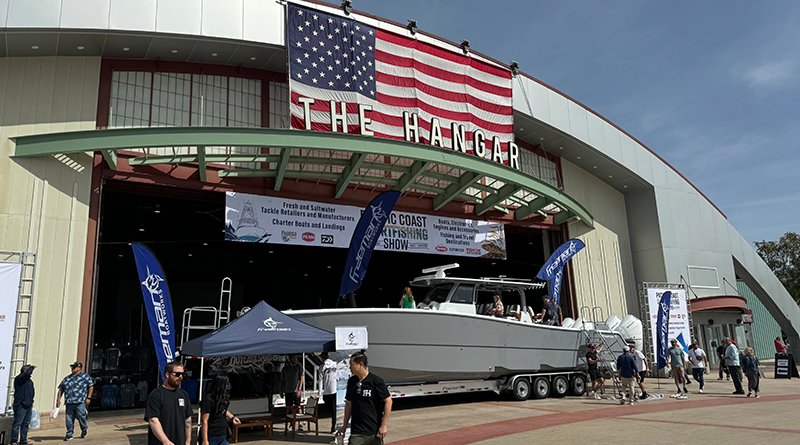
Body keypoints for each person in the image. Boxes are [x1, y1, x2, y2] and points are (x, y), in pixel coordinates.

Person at [337, 351, 392, 445]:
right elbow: (349, 404)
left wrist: (384, 425)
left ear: (360, 364)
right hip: (357, 432)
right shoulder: (352, 381)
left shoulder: (376, 381)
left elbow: (388, 401)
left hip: (374, 431)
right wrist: (344, 425)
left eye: (352, 365)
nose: (349, 367)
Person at [145, 361, 193, 445]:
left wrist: (188, 440)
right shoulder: (156, 395)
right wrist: (165, 441)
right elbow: (153, 420)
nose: (180, 377)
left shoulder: (184, 394)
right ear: (167, 375)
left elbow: (188, 419)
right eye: (177, 374)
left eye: (182, 374)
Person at [56, 361, 94, 441]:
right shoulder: (67, 378)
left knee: (81, 416)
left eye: (74, 367)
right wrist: (58, 399)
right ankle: (69, 434)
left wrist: (89, 397)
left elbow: (90, 386)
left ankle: (84, 428)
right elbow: (61, 389)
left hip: (80, 401)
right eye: (72, 367)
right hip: (69, 402)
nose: (72, 369)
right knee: (69, 419)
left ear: (79, 368)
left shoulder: (85, 377)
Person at [200, 375, 240, 445]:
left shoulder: (221, 398)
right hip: (212, 435)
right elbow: (204, 420)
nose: (228, 386)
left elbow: (222, 409)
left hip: (222, 434)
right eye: (226, 384)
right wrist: (205, 440)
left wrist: (232, 417)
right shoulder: (208, 400)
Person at [10, 364, 35, 445]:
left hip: (28, 405)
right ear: (24, 371)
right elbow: (27, 374)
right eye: (28, 370)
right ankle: (14, 441)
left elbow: (32, 392)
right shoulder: (19, 378)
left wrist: (31, 401)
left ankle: (23, 440)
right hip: (20, 405)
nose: (31, 372)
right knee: (17, 424)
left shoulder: (30, 381)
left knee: (26, 424)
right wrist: (32, 367)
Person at [320, 352, 338, 433]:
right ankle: (334, 422)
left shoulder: (322, 367)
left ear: (323, 358)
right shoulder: (335, 364)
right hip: (333, 389)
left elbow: (320, 381)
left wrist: (320, 393)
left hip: (328, 390)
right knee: (333, 409)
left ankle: (334, 425)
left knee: (331, 408)